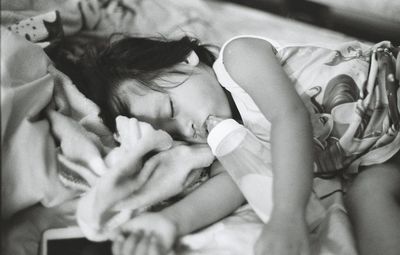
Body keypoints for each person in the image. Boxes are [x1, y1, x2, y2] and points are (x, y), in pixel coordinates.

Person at [51, 34, 400, 255]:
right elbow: (235, 184)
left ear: (185, 60)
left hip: (390, 86)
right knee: (367, 197)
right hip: (382, 154)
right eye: (175, 133)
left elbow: (288, 116)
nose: (185, 127)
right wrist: (170, 222)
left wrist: (286, 216)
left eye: (170, 108)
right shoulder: (230, 139)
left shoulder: (238, 59)